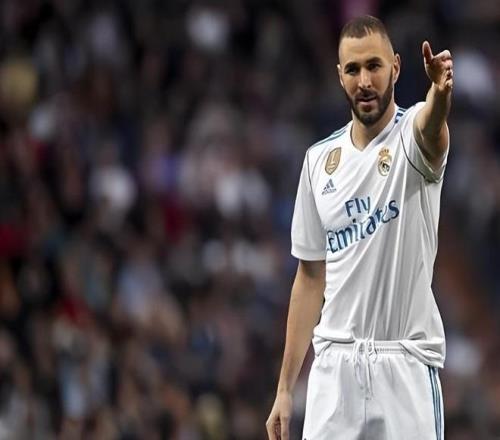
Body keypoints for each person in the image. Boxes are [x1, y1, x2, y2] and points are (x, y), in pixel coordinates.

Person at [266, 15, 453, 440]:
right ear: (340, 76)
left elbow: (432, 127)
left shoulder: (412, 137)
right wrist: (285, 389)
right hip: (335, 370)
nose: (364, 81)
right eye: (353, 69)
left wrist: (440, 94)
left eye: (374, 66)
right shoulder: (318, 162)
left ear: (396, 67)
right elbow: (309, 278)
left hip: (404, 365)